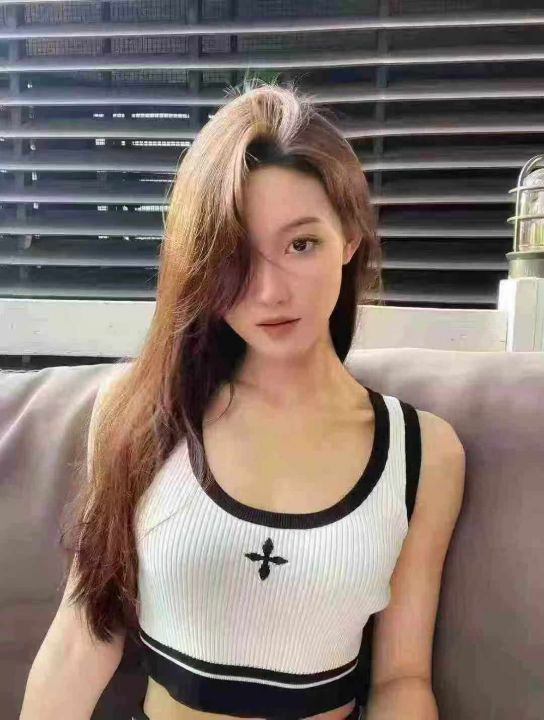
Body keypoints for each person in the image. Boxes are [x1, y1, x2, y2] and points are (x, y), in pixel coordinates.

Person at [19, 79, 465, 720]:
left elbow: (401, 678)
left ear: (349, 238)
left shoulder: (422, 454)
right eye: (234, 255)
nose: (268, 292)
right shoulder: (142, 410)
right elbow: (83, 635)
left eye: (301, 244)